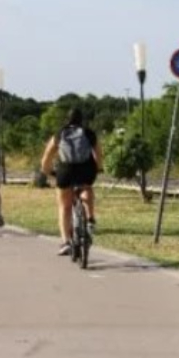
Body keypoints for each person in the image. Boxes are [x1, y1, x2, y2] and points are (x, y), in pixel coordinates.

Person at [40, 108, 103, 257]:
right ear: (82, 120)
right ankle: (90, 219)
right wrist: (98, 168)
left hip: (65, 171)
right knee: (87, 187)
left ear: (66, 119)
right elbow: (98, 154)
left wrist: (47, 171)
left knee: (64, 206)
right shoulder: (89, 133)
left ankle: (66, 242)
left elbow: (47, 156)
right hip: (85, 169)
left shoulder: (60, 133)